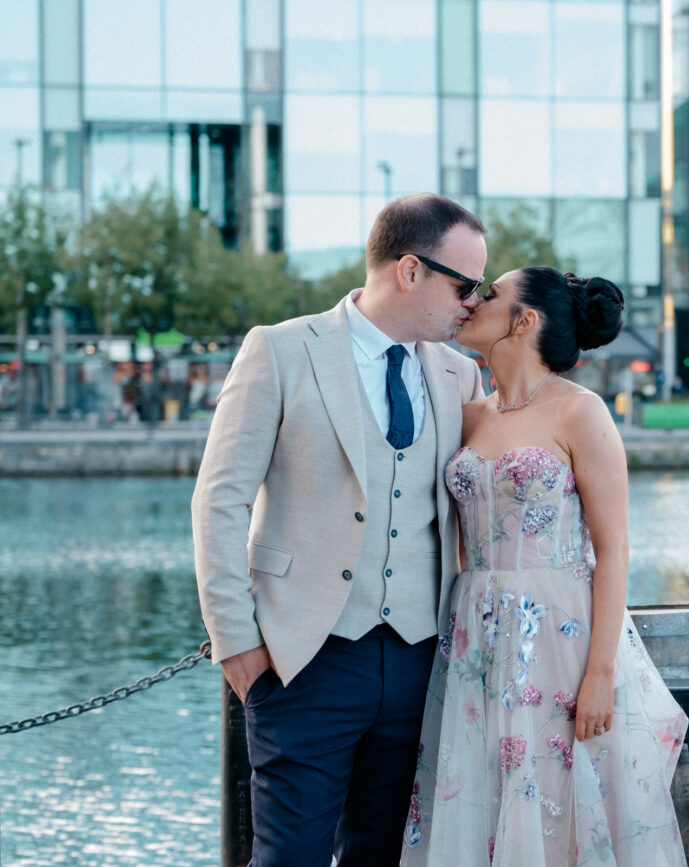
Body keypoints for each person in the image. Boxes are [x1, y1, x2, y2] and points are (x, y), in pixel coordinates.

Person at [192, 193, 487, 866]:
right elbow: (218, 501)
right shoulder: (280, 350)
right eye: (464, 284)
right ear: (409, 270)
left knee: (384, 855)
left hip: (419, 658)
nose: (473, 301)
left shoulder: (460, 374)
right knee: (289, 856)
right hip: (304, 660)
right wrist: (236, 642)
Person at [402, 267, 688, 865]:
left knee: (556, 801)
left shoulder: (580, 413)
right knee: (479, 793)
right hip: (474, 633)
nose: (473, 300)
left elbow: (613, 551)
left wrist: (600, 674)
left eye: (492, 294)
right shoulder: (470, 415)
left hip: (559, 635)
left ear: (525, 320)